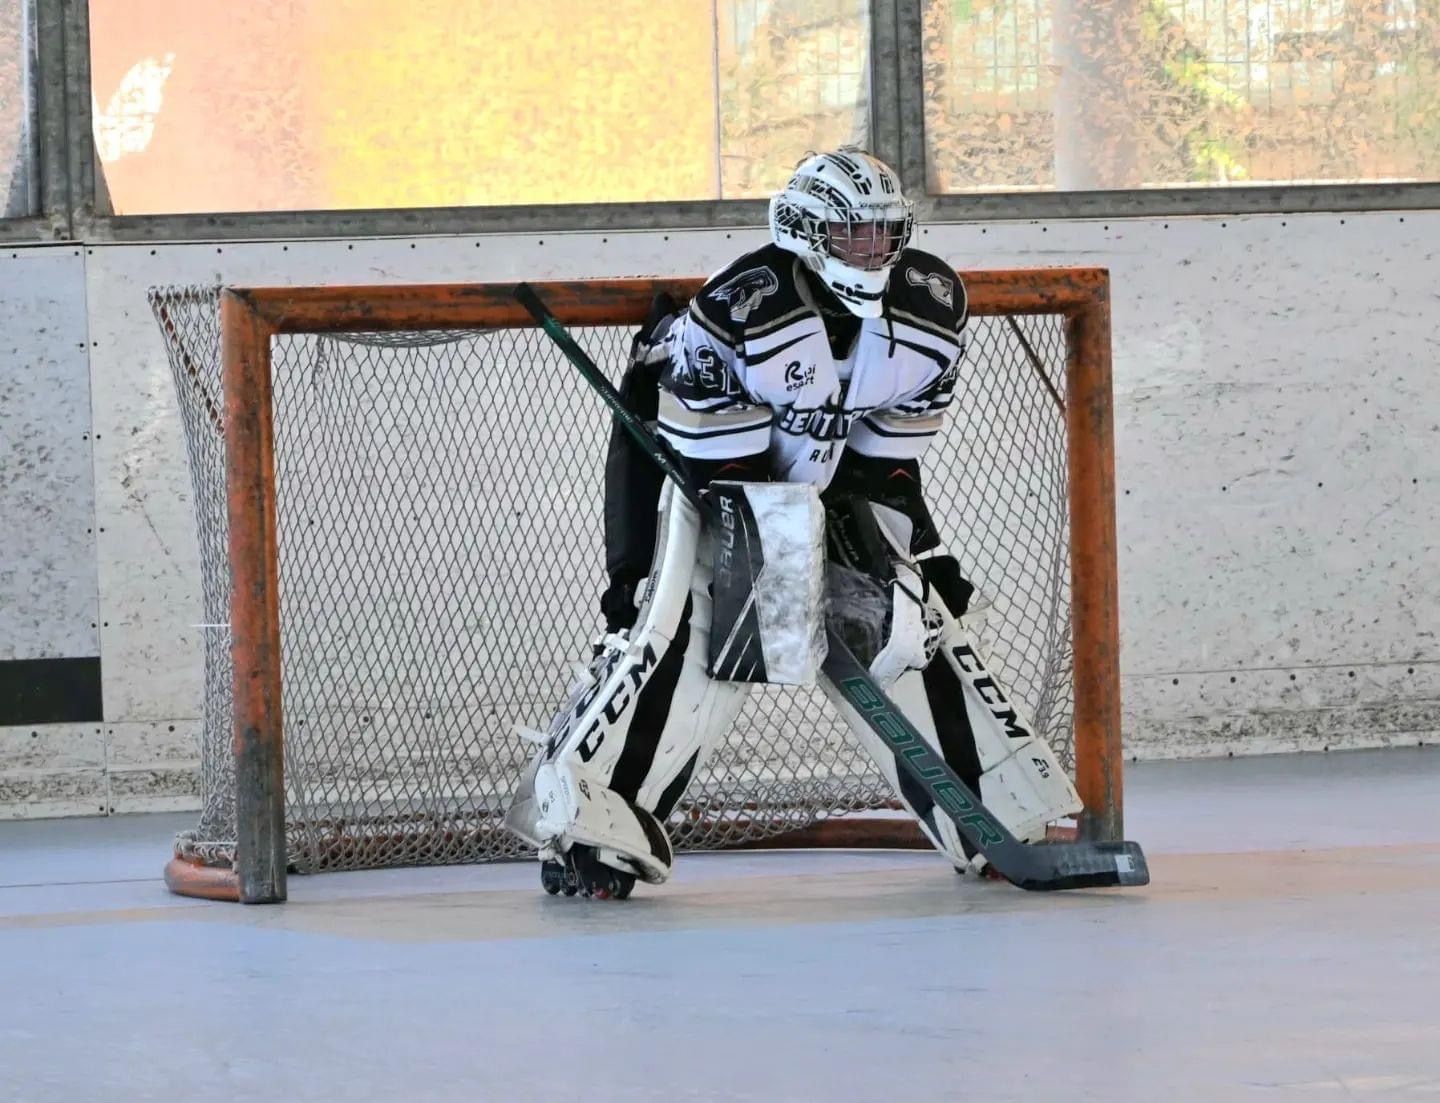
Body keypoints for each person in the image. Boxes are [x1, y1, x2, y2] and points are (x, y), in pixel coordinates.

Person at [504, 147, 1080, 898]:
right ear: (805, 231)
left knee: (907, 629)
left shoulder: (931, 308)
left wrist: (916, 546)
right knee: (693, 635)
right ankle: (593, 828)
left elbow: (885, 466)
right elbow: (729, 476)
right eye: (852, 235)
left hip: (821, 477)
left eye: (884, 235)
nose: (873, 252)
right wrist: (732, 575)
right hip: (699, 468)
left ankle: (1002, 812)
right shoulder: (744, 307)